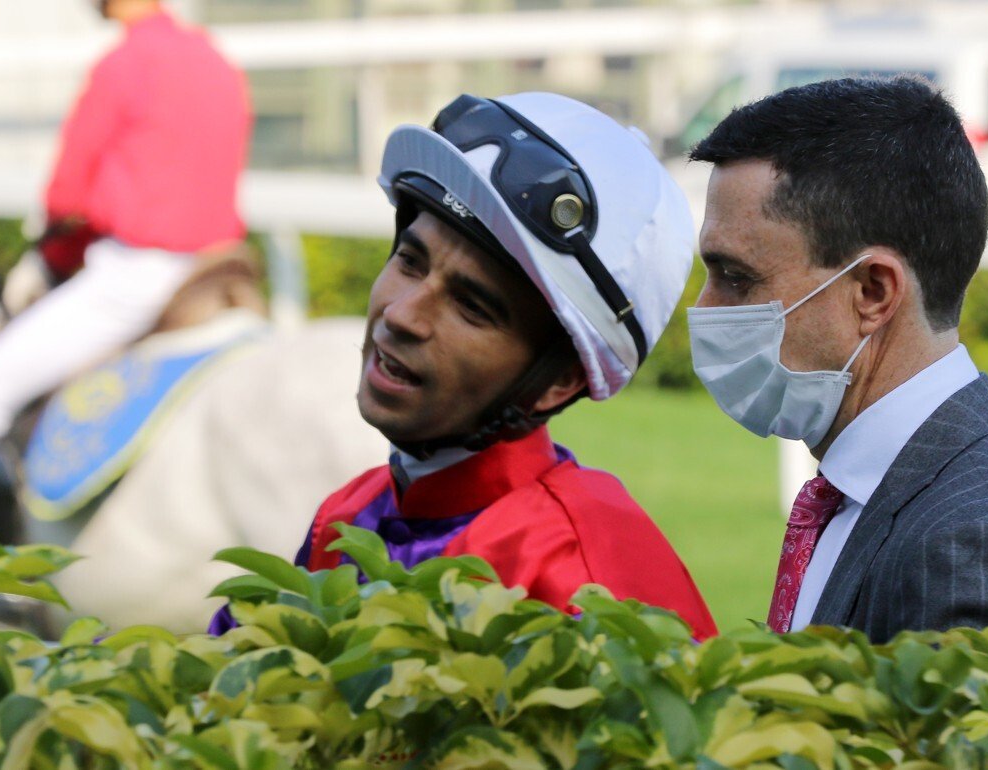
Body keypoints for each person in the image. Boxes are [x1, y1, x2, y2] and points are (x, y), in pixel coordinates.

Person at [212, 92, 717, 639]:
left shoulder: (587, 585)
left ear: (559, 381)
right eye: (410, 261)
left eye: (471, 306)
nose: (403, 315)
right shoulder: (350, 513)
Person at [686, 76, 988, 642]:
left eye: (736, 277)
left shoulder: (974, 547)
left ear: (873, 292)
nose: (705, 307)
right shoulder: (888, 494)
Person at [0, 0, 251, 542]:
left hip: (136, 274)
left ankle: (0, 585)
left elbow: (67, 196)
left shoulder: (123, 62)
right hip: (221, 273)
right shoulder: (214, 58)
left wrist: (51, 261)